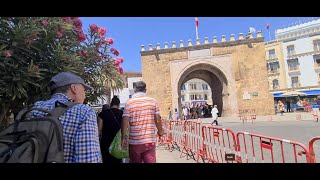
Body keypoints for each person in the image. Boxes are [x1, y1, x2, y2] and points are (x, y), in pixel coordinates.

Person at [32, 72, 102, 163]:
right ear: (74, 88)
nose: (85, 95)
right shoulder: (83, 112)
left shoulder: (34, 108)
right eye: (84, 90)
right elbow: (88, 159)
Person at [121, 81, 164, 163]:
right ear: (145, 90)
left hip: (134, 141)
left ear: (134, 89)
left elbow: (125, 120)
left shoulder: (129, 102)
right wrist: (160, 132)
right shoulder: (152, 101)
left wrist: (123, 137)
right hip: (149, 140)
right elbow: (157, 119)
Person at [98, 96, 123, 163]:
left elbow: (99, 129)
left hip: (106, 142)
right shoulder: (122, 114)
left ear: (110, 104)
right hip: (118, 142)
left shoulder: (102, 114)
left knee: (106, 160)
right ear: (119, 104)